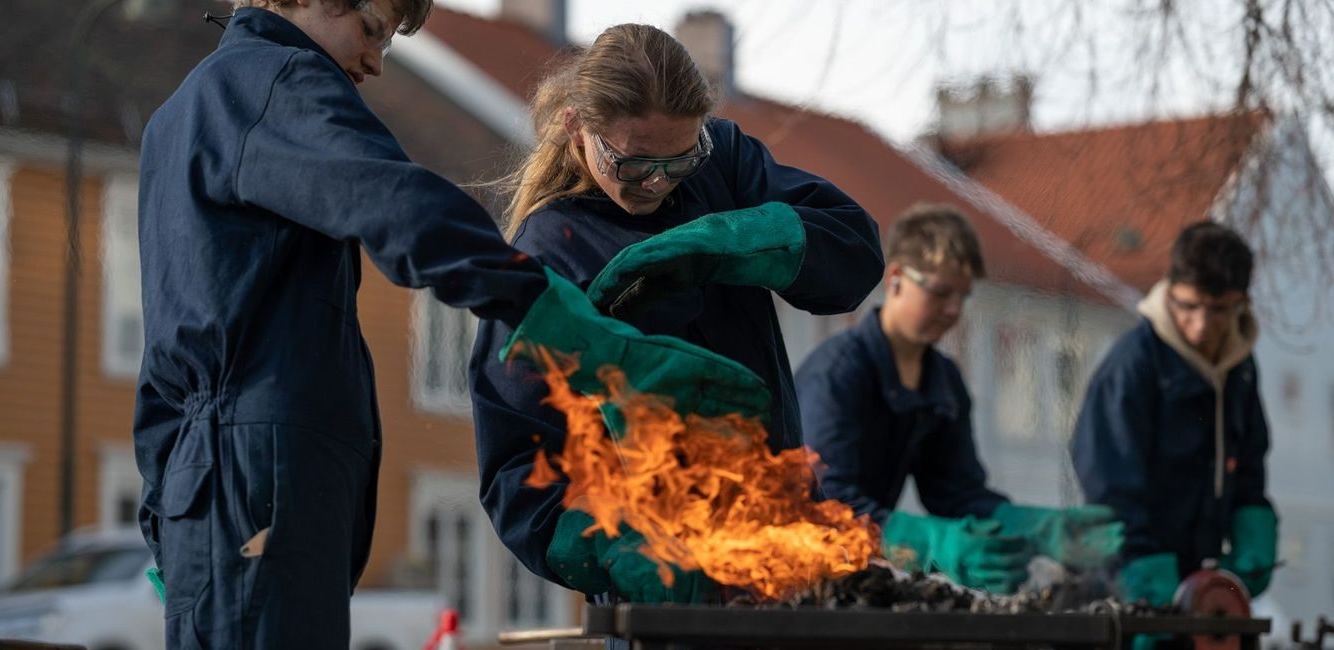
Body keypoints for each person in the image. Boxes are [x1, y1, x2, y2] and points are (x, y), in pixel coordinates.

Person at [133, 2, 769, 648]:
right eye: (372, 30)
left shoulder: (182, 116)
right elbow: (401, 207)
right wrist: (582, 335)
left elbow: (167, 362)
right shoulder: (275, 84)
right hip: (258, 487)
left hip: (209, 495)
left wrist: (166, 519)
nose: (376, 62)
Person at [469, 23, 884, 604]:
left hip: (783, 557)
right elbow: (518, 473)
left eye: (679, 160)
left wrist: (732, 242)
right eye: (635, 164)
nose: (659, 183)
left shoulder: (726, 164)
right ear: (575, 128)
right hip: (661, 588)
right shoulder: (543, 257)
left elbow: (856, 251)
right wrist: (615, 549)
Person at [796, 204, 1122, 594]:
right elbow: (827, 503)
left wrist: (1034, 527)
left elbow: (957, 492)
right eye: (940, 293)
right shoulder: (837, 372)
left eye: (963, 296)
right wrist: (932, 544)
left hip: (857, 576)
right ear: (896, 277)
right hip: (793, 575)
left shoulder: (943, 380)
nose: (953, 310)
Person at [1072, 221, 1276, 608]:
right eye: (1189, 306)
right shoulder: (1133, 365)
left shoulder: (1241, 371)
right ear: (1169, 291)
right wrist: (1139, 569)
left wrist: (1254, 534)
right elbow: (1108, 487)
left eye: (1218, 310)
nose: (1200, 326)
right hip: (1125, 581)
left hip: (1197, 582)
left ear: (1242, 304)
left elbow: (1248, 466)